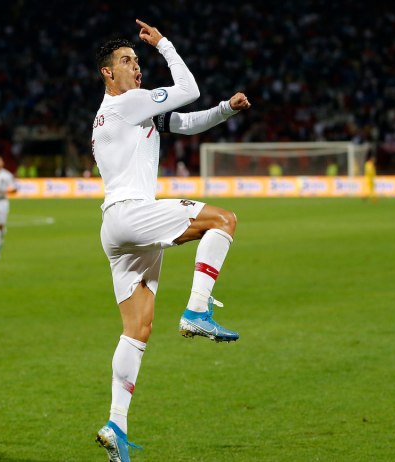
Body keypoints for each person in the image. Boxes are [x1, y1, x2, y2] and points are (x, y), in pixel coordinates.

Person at [91, 20, 251, 461]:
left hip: (116, 227)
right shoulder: (128, 103)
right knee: (223, 220)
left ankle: (116, 425)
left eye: (137, 60)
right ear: (108, 72)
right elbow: (188, 89)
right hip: (133, 212)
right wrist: (163, 44)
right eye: (127, 61)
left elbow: (186, 121)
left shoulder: (121, 113)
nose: (136, 67)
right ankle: (197, 309)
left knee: (137, 329)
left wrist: (226, 109)